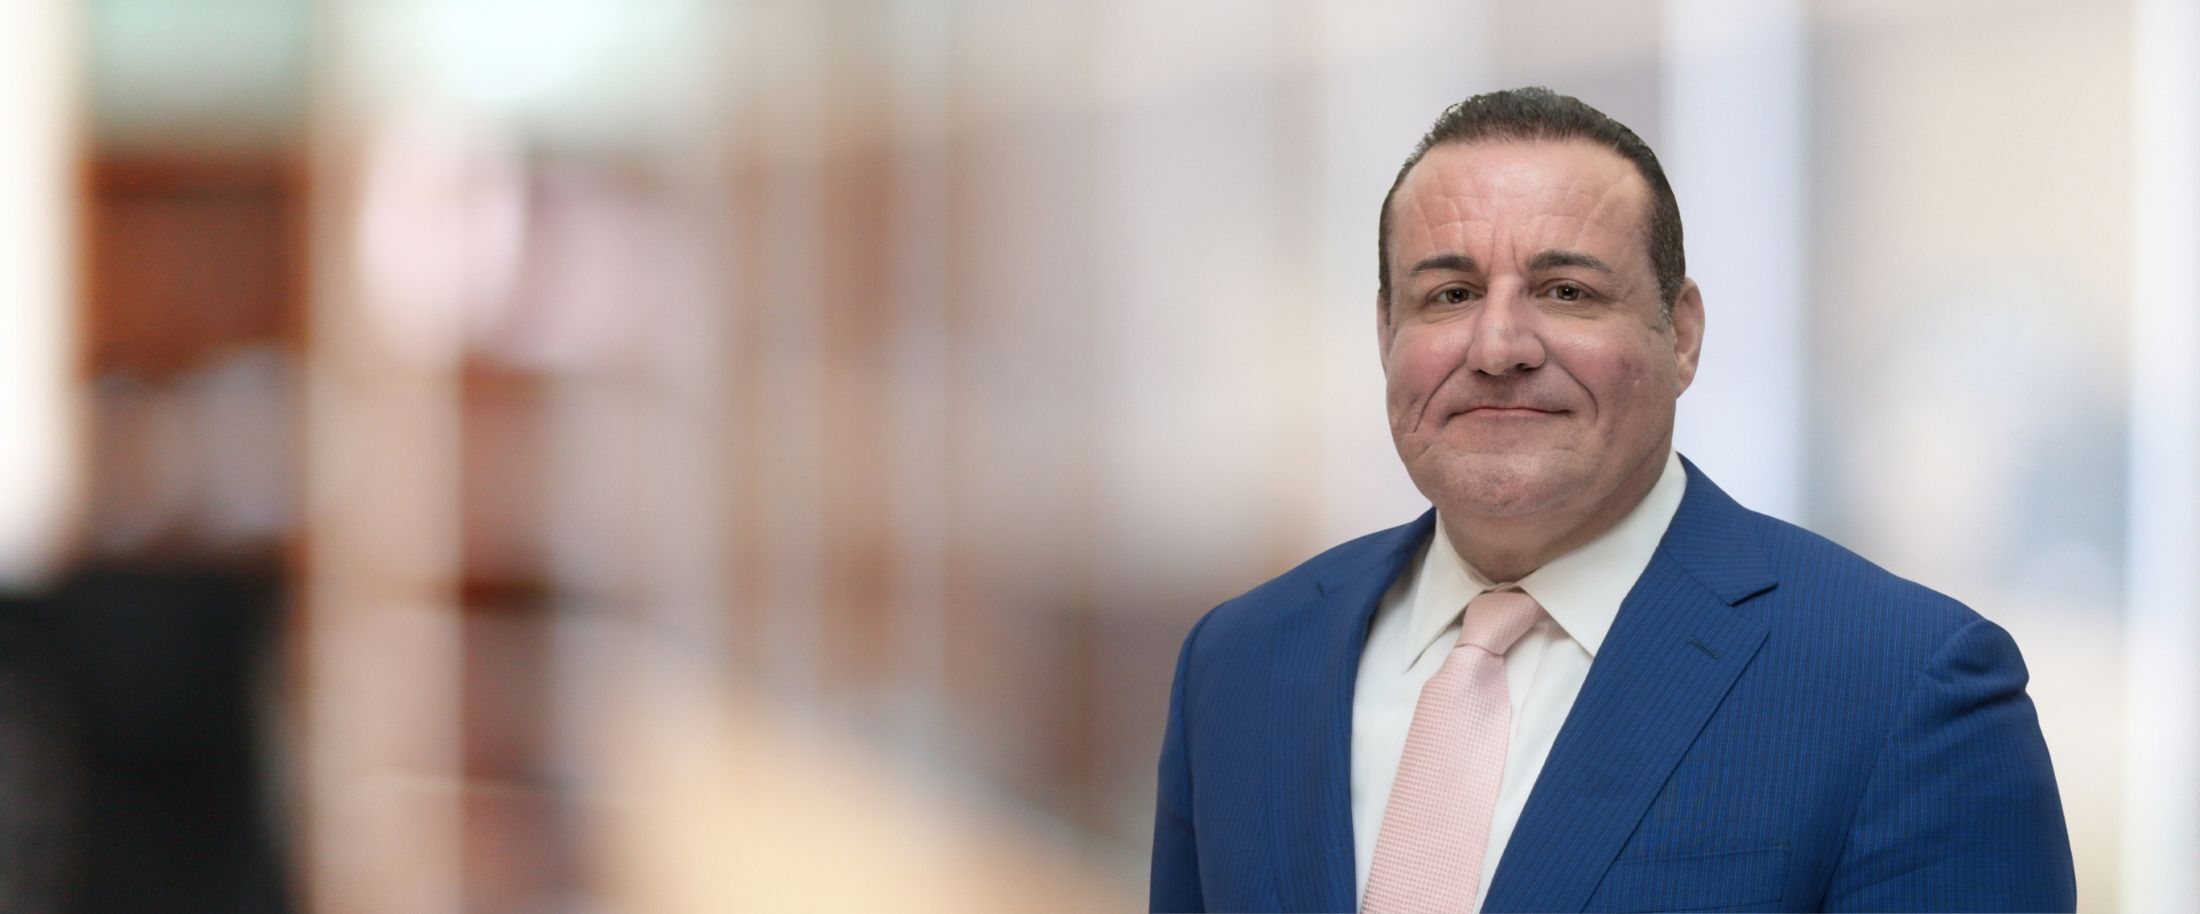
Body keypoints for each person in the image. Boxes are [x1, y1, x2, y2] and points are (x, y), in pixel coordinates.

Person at [1148, 87, 2075, 913]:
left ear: (1682, 334)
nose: (1498, 347)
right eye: (1451, 294)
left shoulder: (1905, 687)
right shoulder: (1239, 664)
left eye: (1566, 290)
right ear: (1386, 331)